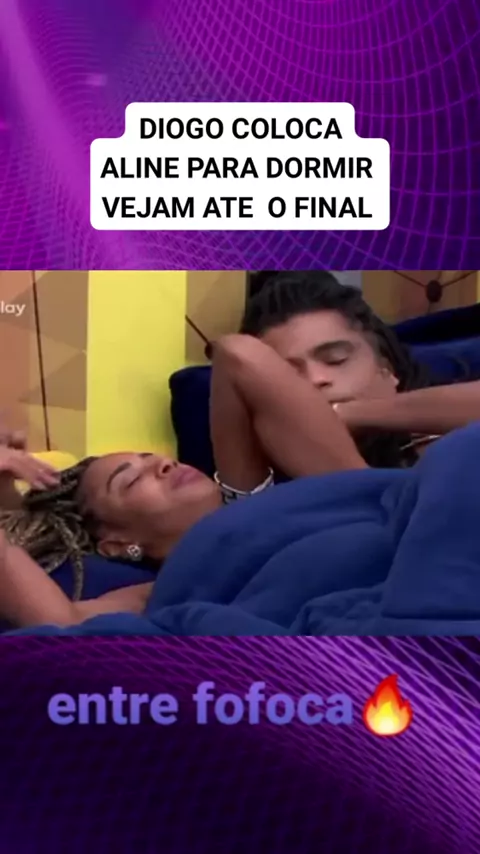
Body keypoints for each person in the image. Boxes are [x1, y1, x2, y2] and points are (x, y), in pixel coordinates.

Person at [240, 272, 480, 468]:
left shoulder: (453, 444)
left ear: (387, 370)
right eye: (289, 375)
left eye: (336, 359)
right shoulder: (268, 484)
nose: (315, 379)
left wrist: (351, 413)